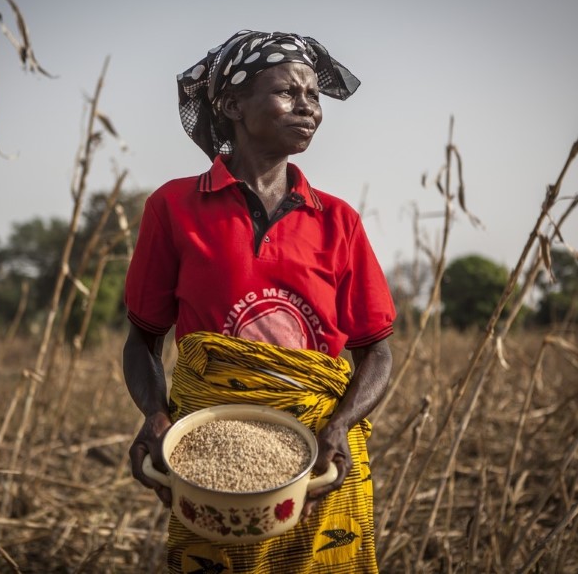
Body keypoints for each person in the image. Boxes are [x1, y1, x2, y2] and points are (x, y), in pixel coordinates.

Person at [122, 29, 396, 574]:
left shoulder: (338, 220)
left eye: (314, 96)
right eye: (288, 92)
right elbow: (142, 338)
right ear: (232, 105)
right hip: (211, 451)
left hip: (317, 454)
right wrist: (155, 414)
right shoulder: (174, 207)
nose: (309, 108)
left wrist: (338, 427)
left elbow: (377, 351)